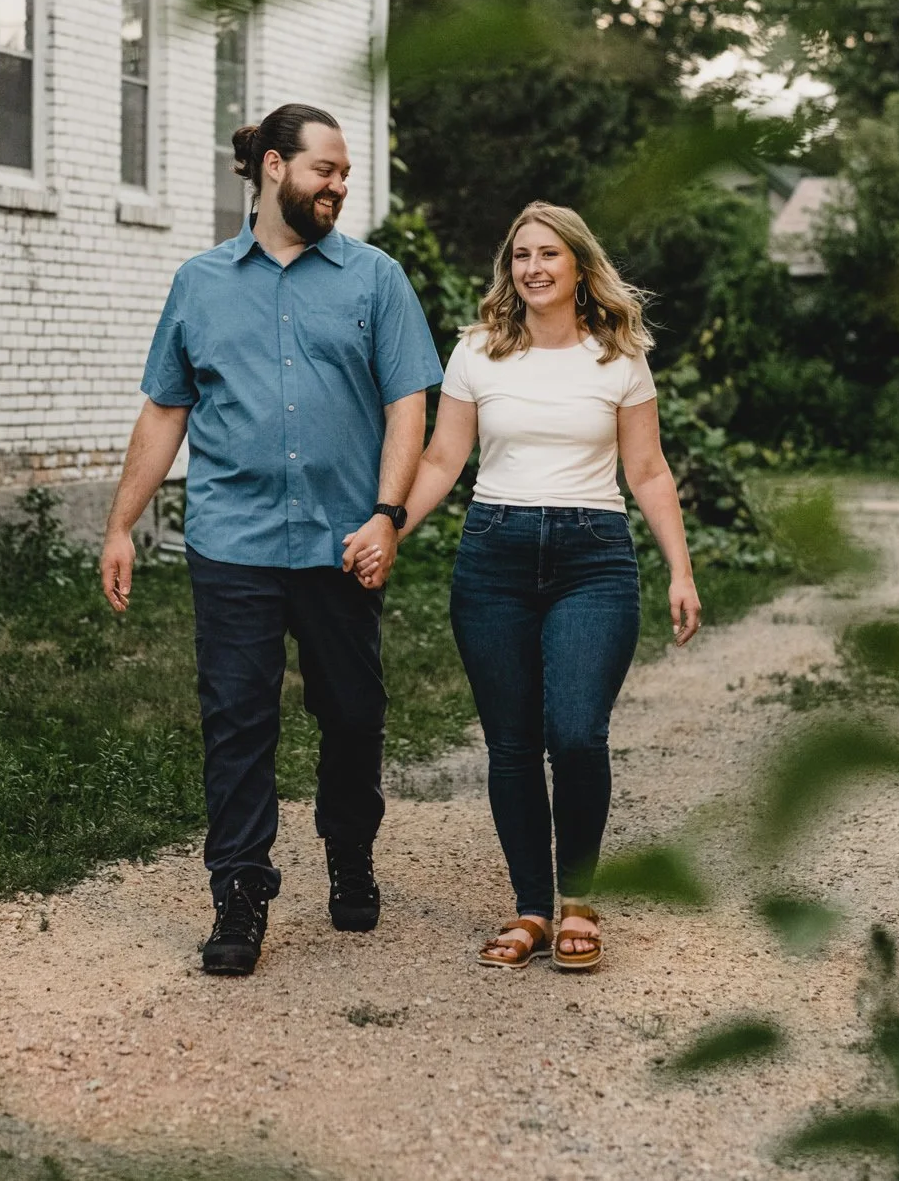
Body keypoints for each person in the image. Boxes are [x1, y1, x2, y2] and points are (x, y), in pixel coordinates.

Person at [101, 103, 442, 976]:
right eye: (325, 169)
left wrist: (388, 513)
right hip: (235, 543)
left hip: (344, 542)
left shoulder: (375, 279)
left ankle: (349, 849)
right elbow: (165, 409)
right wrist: (120, 523)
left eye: (345, 173)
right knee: (237, 723)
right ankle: (240, 892)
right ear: (273, 170)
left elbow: (410, 403)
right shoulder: (200, 283)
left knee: (354, 714)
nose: (340, 185)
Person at [383, 201, 701, 972]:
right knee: (513, 743)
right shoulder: (476, 352)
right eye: (520, 254)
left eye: (547, 254)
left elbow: (649, 470)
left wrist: (680, 568)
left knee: (577, 731)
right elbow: (439, 460)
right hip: (494, 554)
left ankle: (580, 898)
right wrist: (389, 526)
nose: (531, 267)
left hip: (593, 559)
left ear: (578, 266)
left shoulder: (618, 356)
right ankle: (531, 907)